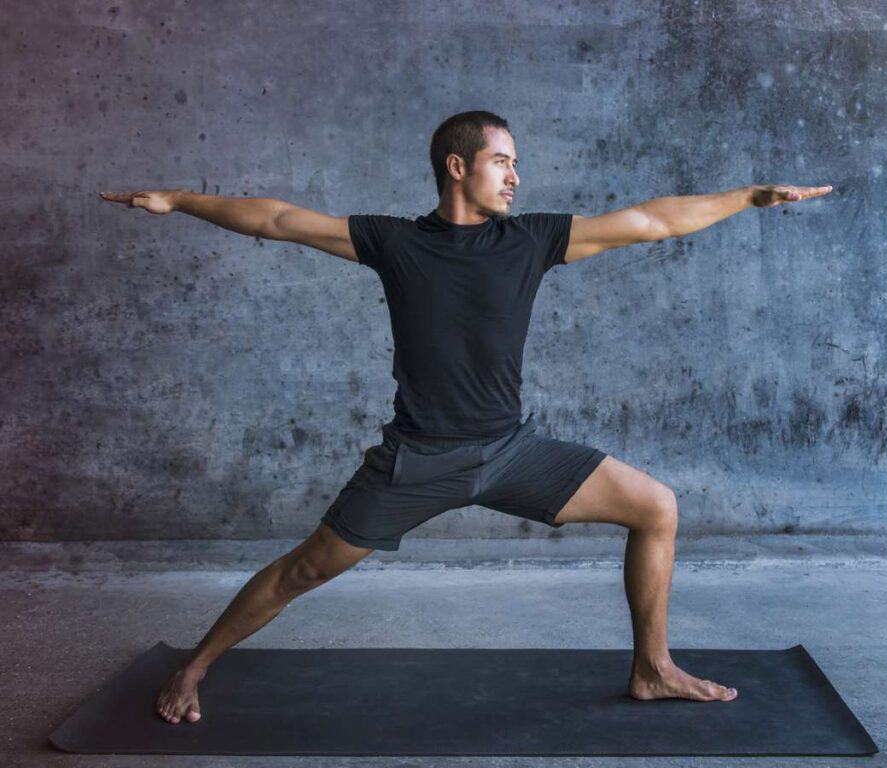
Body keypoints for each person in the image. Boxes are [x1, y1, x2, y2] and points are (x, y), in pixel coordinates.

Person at [100, 110, 832, 725]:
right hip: (418, 460)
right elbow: (278, 220)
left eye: (517, 164)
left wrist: (746, 196)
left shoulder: (531, 239)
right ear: (457, 167)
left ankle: (653, 668)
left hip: (512, 451)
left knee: (656, 507)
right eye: (502, 161)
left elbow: (650, 221)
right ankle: (194, 669)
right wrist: (177, 199)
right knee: (300, 571)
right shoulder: (395, 243)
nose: (516, 176)